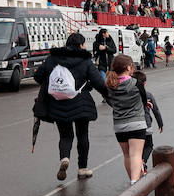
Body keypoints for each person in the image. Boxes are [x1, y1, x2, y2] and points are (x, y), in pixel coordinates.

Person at [33, 32, 109, 182]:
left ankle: (64, 158)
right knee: (83, 135)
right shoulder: (85, 60)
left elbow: (38, 77)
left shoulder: (53, 58)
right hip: (81, 103)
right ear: (81, 45)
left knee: (65, 135)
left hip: (58, 102)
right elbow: (98, 82)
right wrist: (108, 95)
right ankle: (82, 169)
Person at [104, 55, 153, 183]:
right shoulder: (136, 83)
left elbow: (111, 101)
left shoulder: (110, 85)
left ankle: (132, 179)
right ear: (128, 67)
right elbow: (142, 99)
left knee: (126, 155)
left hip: (119, 125)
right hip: (136, 123)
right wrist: (144, 104)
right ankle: (135, 182)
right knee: (136, 155)